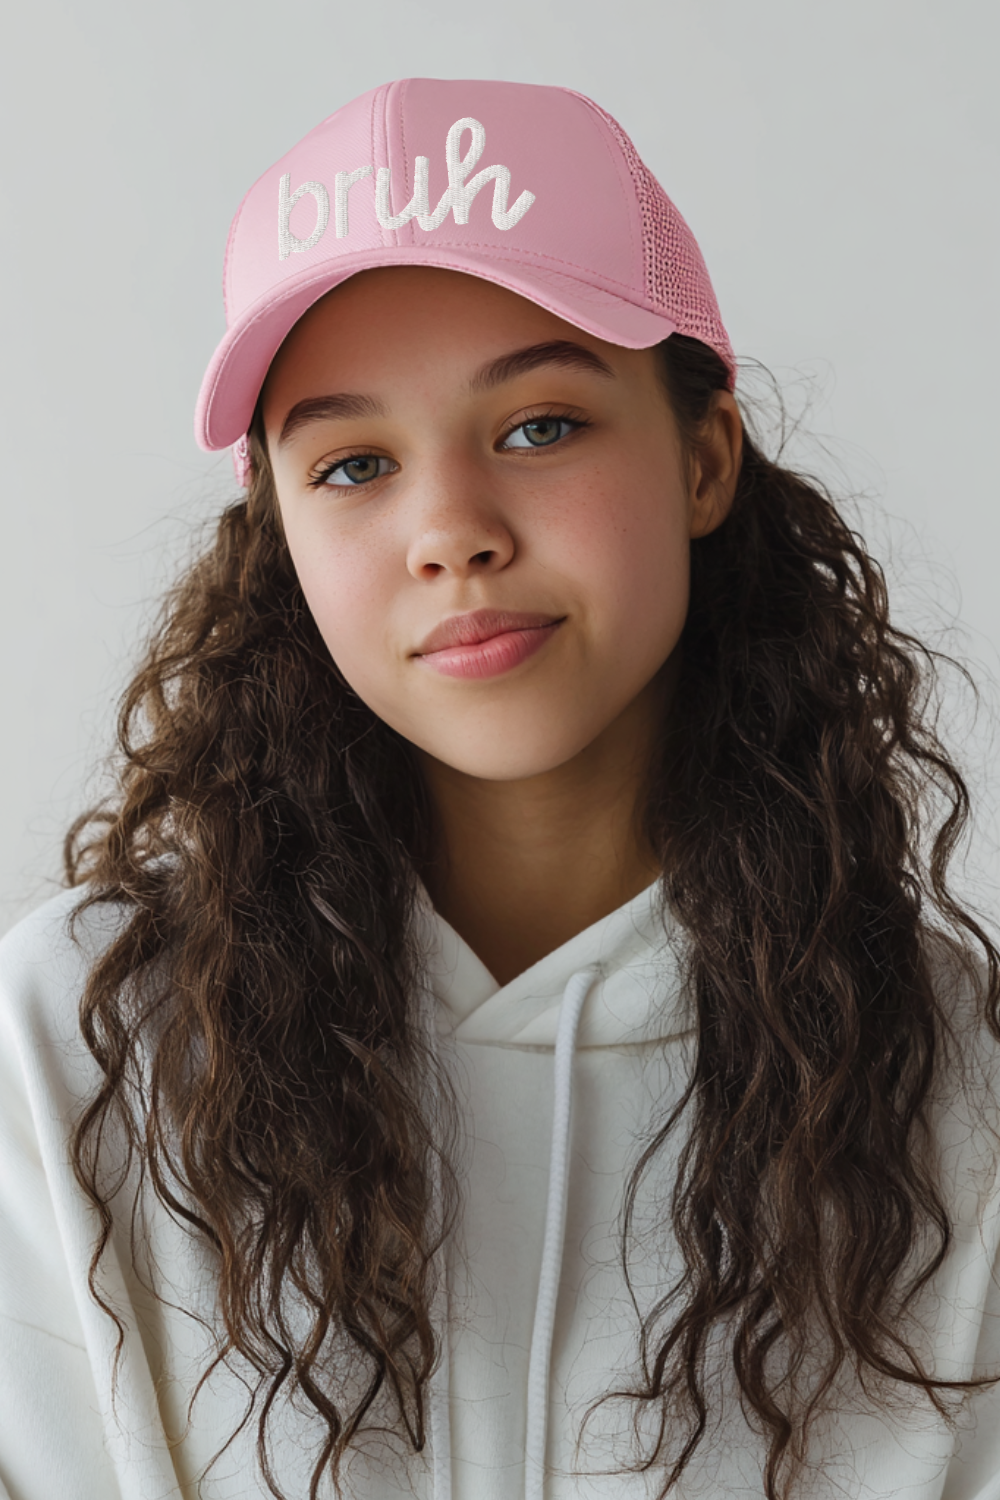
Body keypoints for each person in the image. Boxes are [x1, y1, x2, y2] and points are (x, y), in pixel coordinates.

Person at [0, 75, 998, 1500]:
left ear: (704, 457)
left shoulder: (953, 1092)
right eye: (352, 463)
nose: (450, 531)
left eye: (539, 427)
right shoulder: (76, 1053)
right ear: (279, 532)